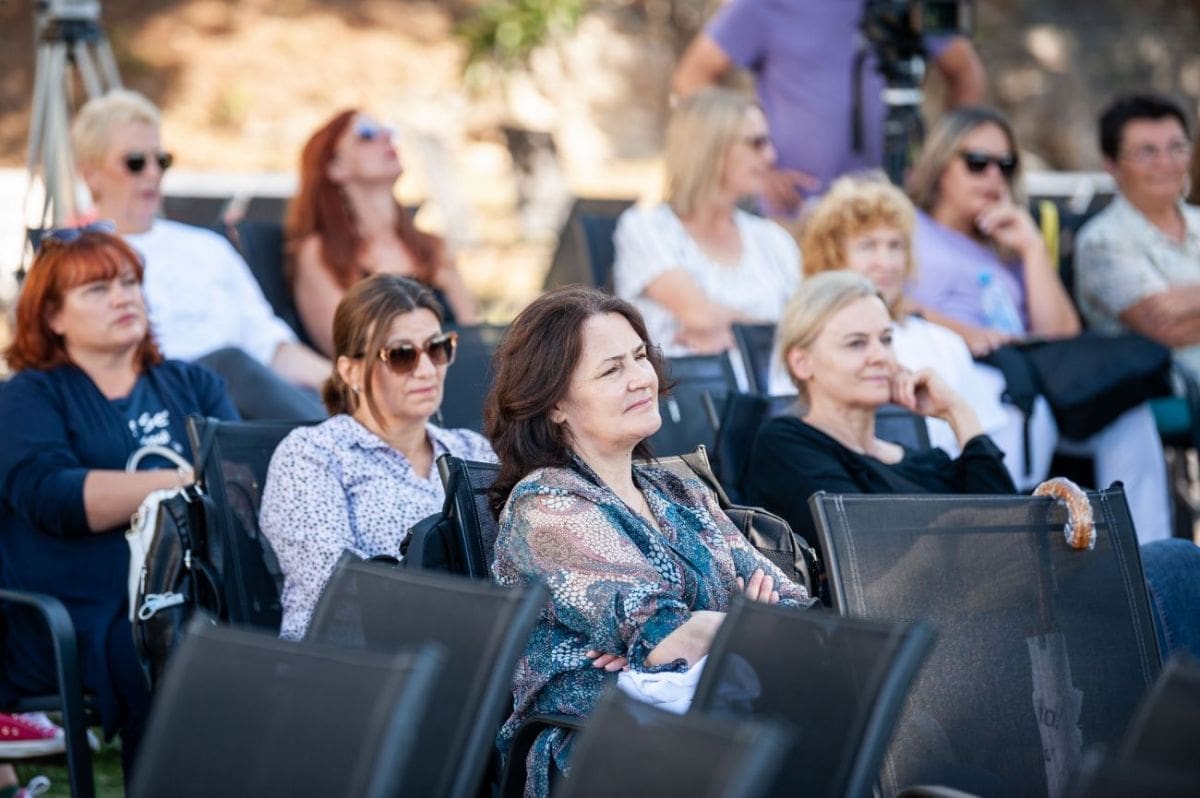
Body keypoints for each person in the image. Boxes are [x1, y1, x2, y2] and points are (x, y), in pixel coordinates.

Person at [484, 286, 814, 797]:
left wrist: (694, 636)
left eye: (640, 357)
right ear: (555, 404)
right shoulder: (545, 506)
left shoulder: (676, 488)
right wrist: (731, 622)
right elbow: (668, 636)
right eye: (611, 370)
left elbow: (794, 609)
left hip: (716, 722)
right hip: (604, 754)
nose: (642, 378)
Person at [0, 227, 238, 776]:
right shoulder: (29, 397)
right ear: (53, 317)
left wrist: (190, 484)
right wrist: (184, 480)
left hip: (199, 583)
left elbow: (239, 482)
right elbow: (57, 497)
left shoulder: (194, 384)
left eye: (129, 283)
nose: (123, 297)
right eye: (97, 289)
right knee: (163, 639)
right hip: (80, 605)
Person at [905, 107, 1172, 542]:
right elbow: (881, 299)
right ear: (940, 163)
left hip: (1035, 383)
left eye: (1006, 165)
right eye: (977, 162)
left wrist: (1031, 248)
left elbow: (1062, 333)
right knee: (1017, 409)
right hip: (971, 382)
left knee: (1129, 416)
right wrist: (960, 331)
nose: (994, 176)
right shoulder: (910, 229)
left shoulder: (1004, 244)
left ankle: (1147, 557)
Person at [71, 89, 330, 420]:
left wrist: (349, 383)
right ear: (91, 174)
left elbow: (270, 347)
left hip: (250, 405)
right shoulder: (78, 261)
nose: (152, 173)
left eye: (161, 160)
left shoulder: (208, 247)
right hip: (156, 412)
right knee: (230, 366)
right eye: (135, 162)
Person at [259, 275, 493, 641]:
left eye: (437, 348)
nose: (427, 369)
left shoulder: (471, 450)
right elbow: (334, 586)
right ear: (350, 370)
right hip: (349, 661)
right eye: (401, 355)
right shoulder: (312, 454)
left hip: (464, 650)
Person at [746, 271, 1015, 548]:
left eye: (886, 339)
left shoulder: (926, 462)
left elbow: (1011, 534)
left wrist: (957, 412)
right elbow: (867, 551)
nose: (881, 356)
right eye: (856, 343)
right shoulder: (784, 445)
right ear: (802, 363)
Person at [777, 173, 1017, 464]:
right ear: (832, 256)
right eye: (868, 246)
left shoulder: (944, 342)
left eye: (895, 246)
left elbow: (988, 449)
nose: (886, 262)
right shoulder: (809, 340)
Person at [672, 0, 986, 215]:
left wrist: (939, 167)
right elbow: (692, 78)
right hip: (798, 212)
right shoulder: (763, 5)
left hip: (889, 206)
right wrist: (758, 169)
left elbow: (966, 74)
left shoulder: (902, 6)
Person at [612, 88, 801, 356]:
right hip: (686, 381)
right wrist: (775, 333)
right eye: (756, 143)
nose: (770, 155)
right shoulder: (645, 228)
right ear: (711, 149)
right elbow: (700, 316)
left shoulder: (772, 237)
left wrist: (730, 331)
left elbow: (806, 326)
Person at [285, 109, 478, 356]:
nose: (387, 137)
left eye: (387, 130)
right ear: (334, 167)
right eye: (366, 134)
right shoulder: (321, 252)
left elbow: (472, 338)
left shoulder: (432, 246)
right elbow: (348, 349)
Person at [1075, 95, 1200, 382]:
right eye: (1147, 152)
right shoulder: (1102, 241)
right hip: (1173, 396)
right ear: (1111, 164)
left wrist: (1191, 296)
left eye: (1176, 147)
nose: (1165, 163)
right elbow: (1169, 331)